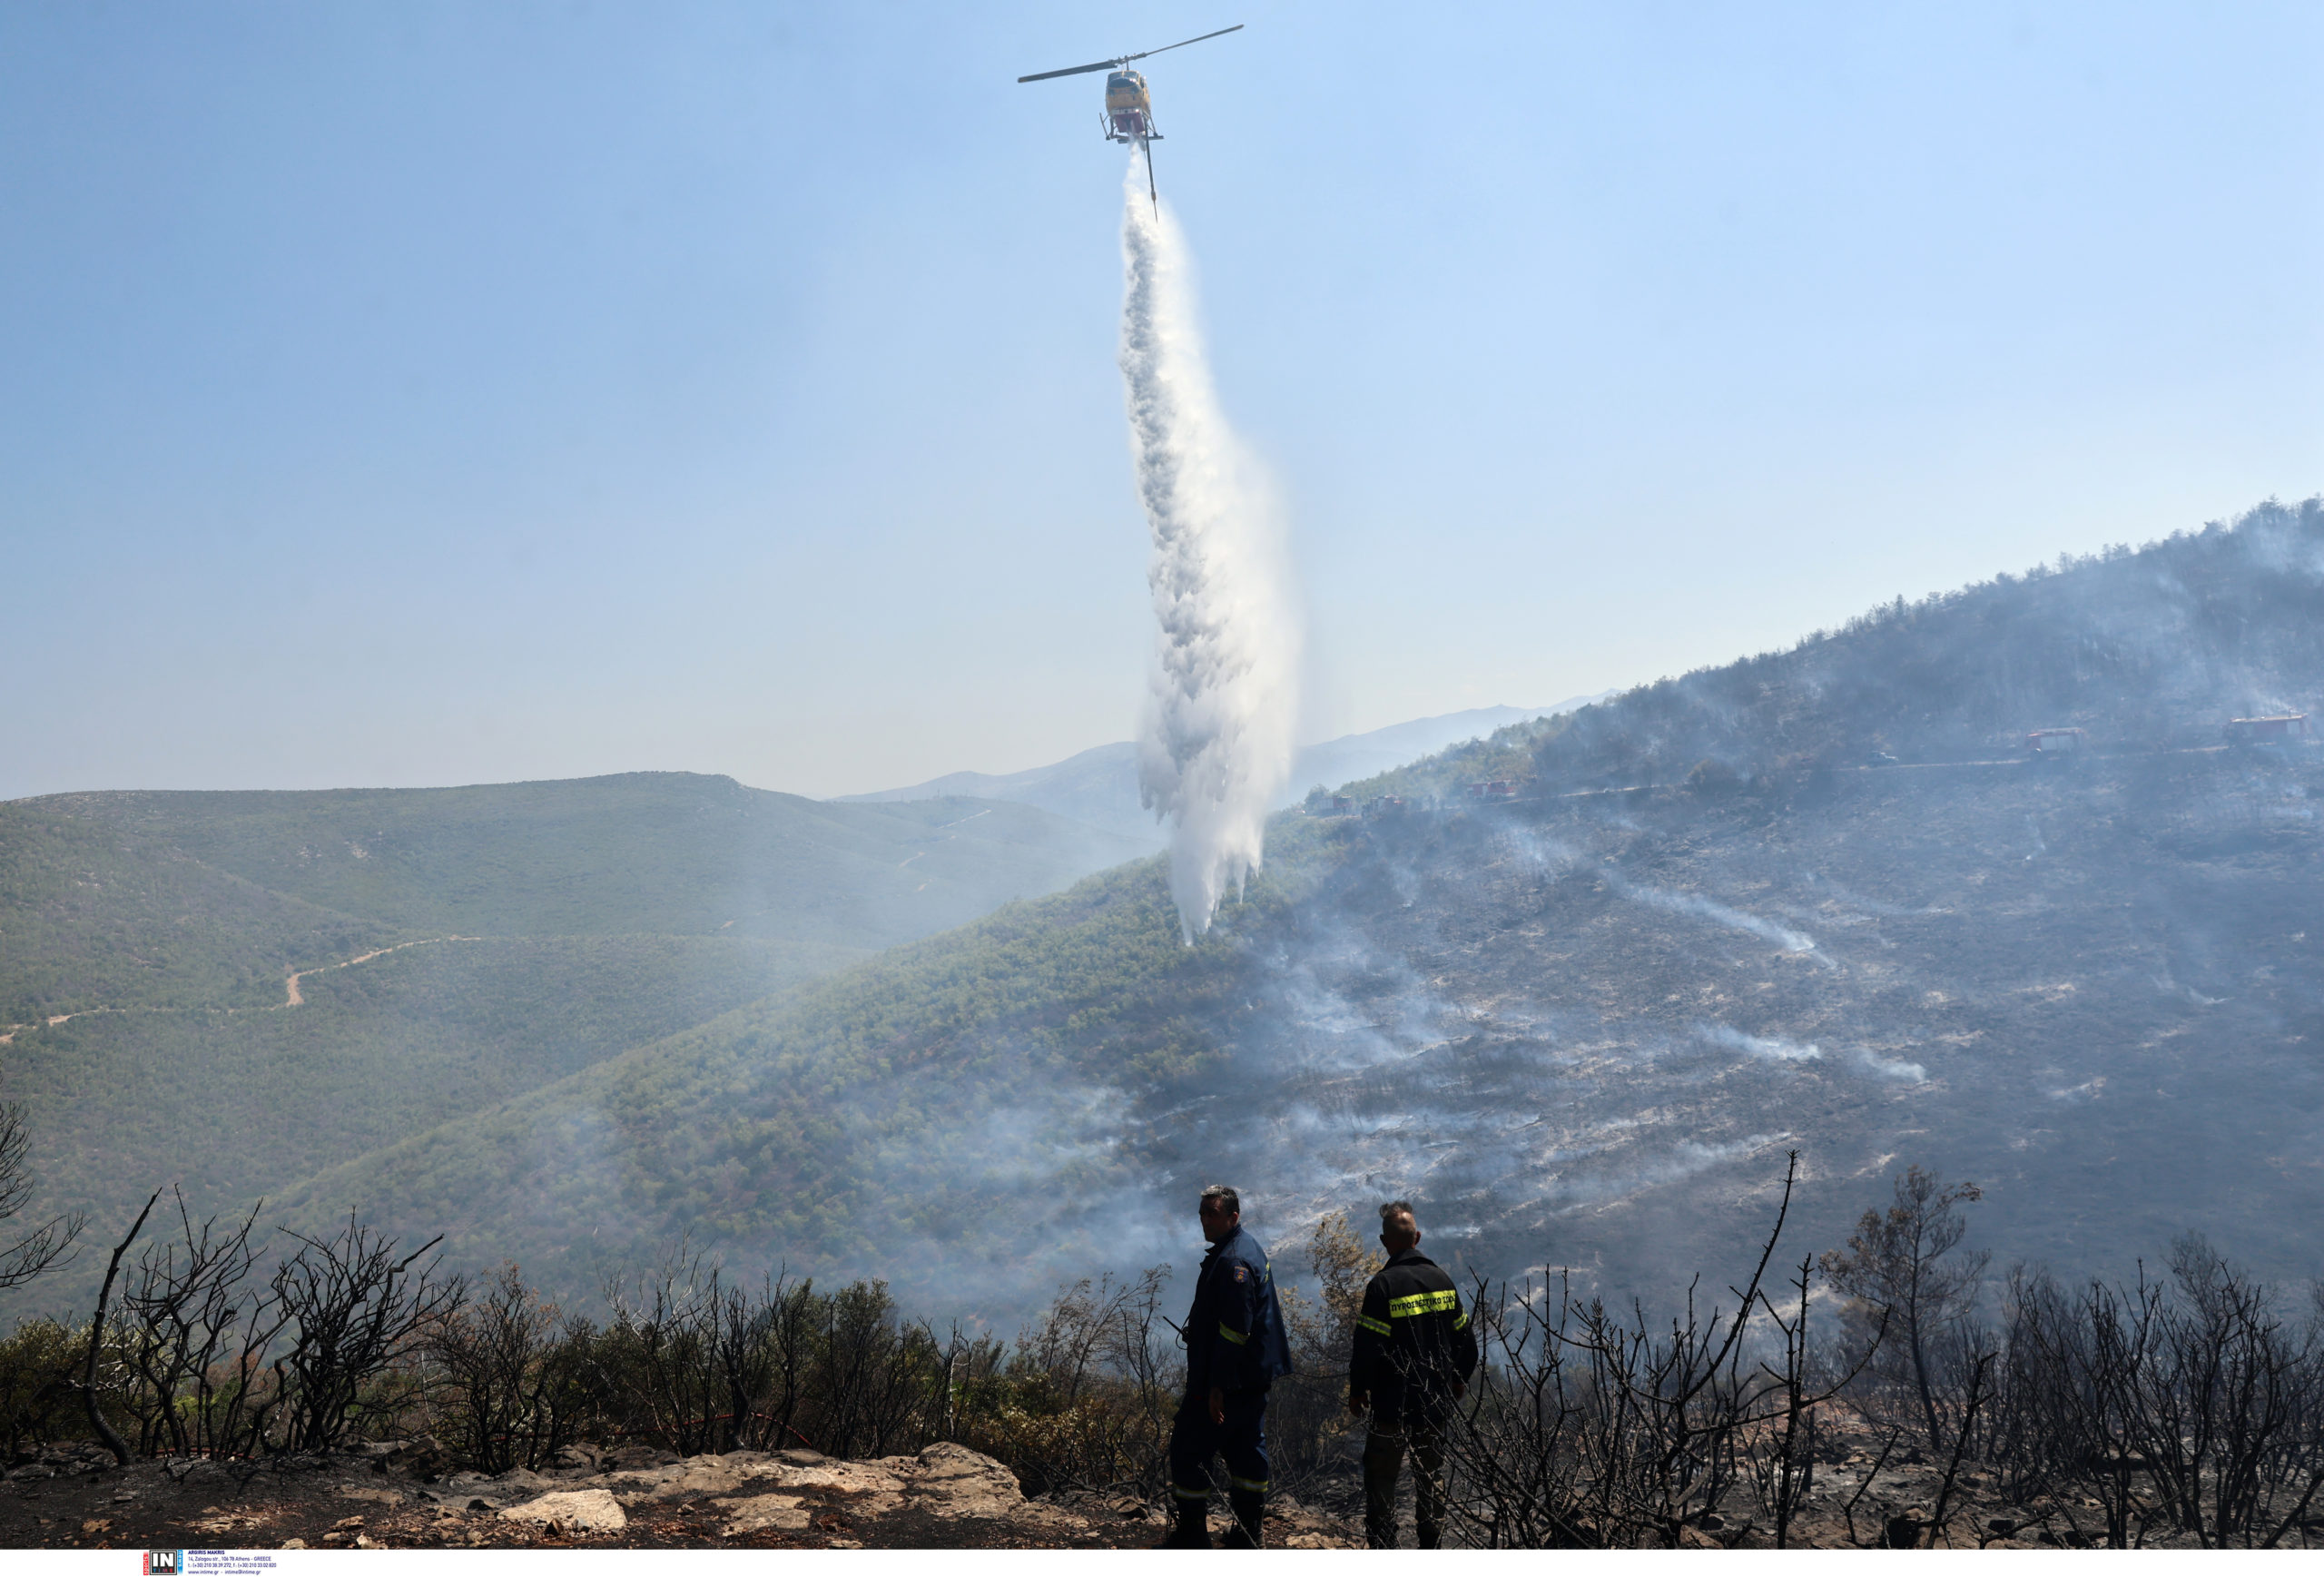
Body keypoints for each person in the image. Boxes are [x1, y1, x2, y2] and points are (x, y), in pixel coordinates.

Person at [1160, 1184, 1294, 1549]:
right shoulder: (1241, 1247)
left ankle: (1193, 1536)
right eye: (1202, 1212)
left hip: (1227, 1380)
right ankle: (1248, 1534)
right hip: (1248, 1377)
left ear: (1233, 1216)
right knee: (1246, 1450)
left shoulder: (1235, 1261)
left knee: (1188, 1449)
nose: (1204, 1220)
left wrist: (1217, 1385)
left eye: (1212, 1213)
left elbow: (1235, 1331)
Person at [1347, 1200, 1477, 1550]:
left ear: (1384, 1241)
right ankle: (1431, 1548)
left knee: (1381, 1477)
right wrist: (1457, 1379)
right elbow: (1467, 1342)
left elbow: (1367, 1349)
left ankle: (1384, 1547)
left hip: (1391, 1407)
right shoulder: (1443, 1281)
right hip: (1434, 1406)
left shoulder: (1382, 1287)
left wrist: (1357, 1391)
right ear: (1417, 1238)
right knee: (1431, 1477)